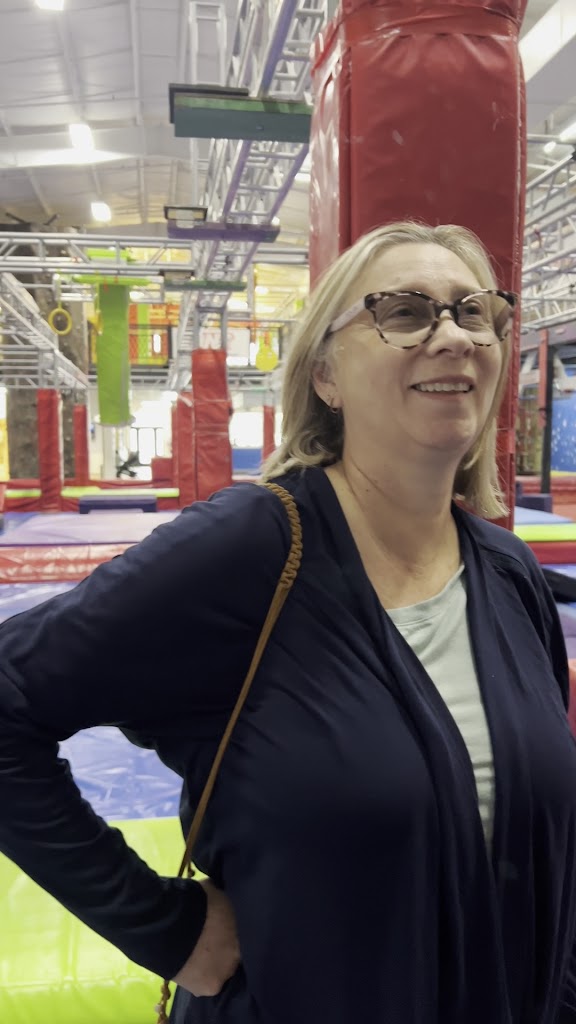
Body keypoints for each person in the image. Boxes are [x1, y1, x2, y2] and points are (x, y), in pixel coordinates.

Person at [0, 220, 576, 1024]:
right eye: (405, 311)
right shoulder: (252, 550)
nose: (453, 336)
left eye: (474, 312)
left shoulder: (509, 574)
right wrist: (165, 928)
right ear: (325, 376)